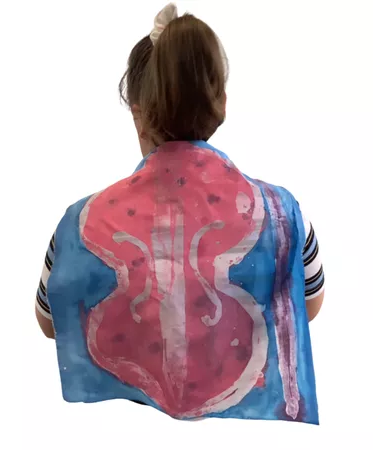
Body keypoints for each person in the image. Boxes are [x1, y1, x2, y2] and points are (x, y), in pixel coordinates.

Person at [35, 3, 324, 424]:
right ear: (221, 103)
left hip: (118, 427)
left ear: (138, 112)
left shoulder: (78, 221)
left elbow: (50, 323)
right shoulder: (281, 212)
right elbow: (307, 306)